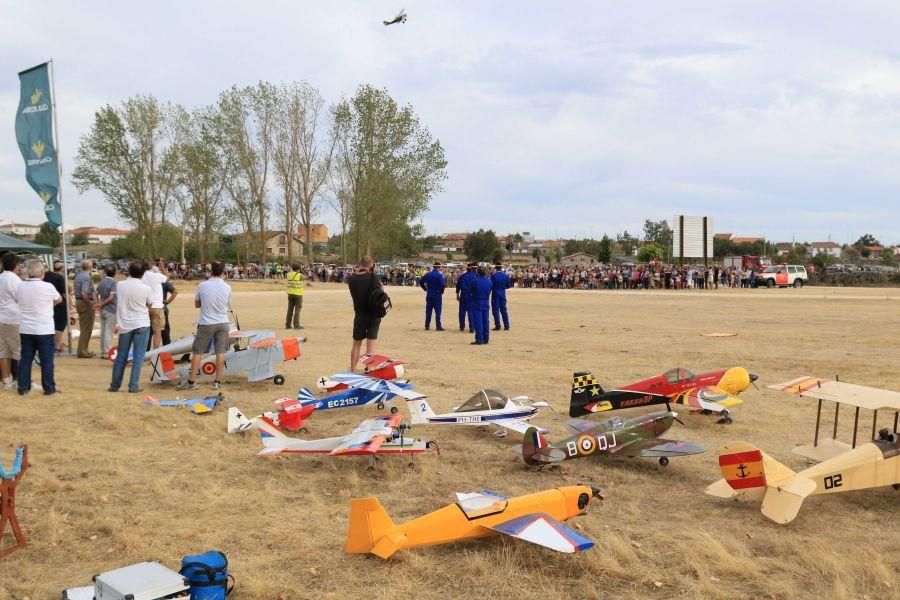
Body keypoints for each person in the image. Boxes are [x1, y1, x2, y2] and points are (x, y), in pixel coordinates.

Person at [179, 261, 232, 390]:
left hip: (206, 323)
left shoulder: (202, 285)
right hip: (223, 322)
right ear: (223, 272)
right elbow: (227, 304)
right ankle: (217, 382)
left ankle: (191, 382)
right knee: (220, 352)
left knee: (198, 352)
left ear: (210, 271)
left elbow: (197, 304)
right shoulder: (227, 287)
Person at [16, 259, 61, 395]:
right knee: (47, 361)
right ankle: (48, 388)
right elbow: (59, 299)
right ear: (42, 272)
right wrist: (48, 305)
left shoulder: (20, 286)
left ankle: (23, 388)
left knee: (25, 359)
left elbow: (18, 300)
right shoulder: (47, 287)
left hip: (25, 328)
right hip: (44, 329)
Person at [109, 261, 152, 393]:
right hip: (141, 323)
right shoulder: (146, 288)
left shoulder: (120, 285)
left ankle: (115, 385)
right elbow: (149, 304)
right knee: (138, 356)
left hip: (125, 325)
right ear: (142, 274)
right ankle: (133, 386)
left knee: (121, 355)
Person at [347, 256, 382, 370]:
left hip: (359, 314)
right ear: (371, 265)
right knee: (370, 344)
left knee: (356, 343)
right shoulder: (373, 277)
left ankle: (353, 369)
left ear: (359, 264)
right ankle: (369, 368)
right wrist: (373, 273)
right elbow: (381, 292)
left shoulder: (351, 279)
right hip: (373, 314)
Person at [0, 253, 22, 390]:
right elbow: (20, 298)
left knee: (3, 351)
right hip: (13, 318)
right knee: (20, 352)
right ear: (16, 265)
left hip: (1, 318)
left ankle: (6, 380)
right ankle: (23, 380)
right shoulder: (15, 280)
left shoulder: (0, 277)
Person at [141, 259, 168, 348]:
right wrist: (162, 265)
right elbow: (167, 277)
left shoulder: (141, 276)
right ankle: (155, 354)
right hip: (157, 306)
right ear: (152, 265)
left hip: (144, 306)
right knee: (157, 331)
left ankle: (144, 352)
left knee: (143, 331)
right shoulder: (156, 275)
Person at [43, 260, 69, 352]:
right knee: (59, 326)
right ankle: (57, 346)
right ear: (62, 268)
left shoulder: (45, 276)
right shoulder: (60, 278)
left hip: (47, 305)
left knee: (51, 326)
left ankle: (53, 344)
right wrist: (70, 303)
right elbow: (64, 293)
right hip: (60, 305)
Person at [73, 259, 96, 357]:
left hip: (79, 301)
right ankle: (82, 351)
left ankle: (84, 350)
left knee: (84, 327)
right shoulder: (87, 276)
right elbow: (84, 293)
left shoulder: (78, 275)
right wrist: (90, 303)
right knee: (87, 328)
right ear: (90, 267)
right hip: (84, 302)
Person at [96, 264, 118, 357]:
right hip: (111, 309)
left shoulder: (102, 281)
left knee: (103, 330)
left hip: (103, 310)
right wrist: (101, 304)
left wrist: (98, 304)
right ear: (115, 273)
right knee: (109, 331)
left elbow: (95, 293)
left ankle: (102, 351)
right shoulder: (114, 283)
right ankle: (106, 351)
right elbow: (111, 297)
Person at [469, 266, 493, 345]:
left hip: (477, 302)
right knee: (485, 321)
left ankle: (479, 339)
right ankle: (486, 338)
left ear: (477, 273)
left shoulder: (474, 281)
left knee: (478, 321)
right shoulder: (489, 281)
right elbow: (489, 290)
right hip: (485, 302)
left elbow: (471, 291)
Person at [419, 261, 446, 331]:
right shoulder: (439, 275)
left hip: (429, 294)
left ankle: (427, 325)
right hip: (437, 295)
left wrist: (425, 288)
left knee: (428, 311)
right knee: (438, 311)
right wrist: (441, 291)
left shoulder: (428, 274)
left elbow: (420, 281)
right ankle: (438, 326)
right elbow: (443, 284)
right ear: (439, 267)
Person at [490, 263, 511, 331]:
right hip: (502, 293)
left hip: (495, 293)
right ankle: (506, 325)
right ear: (501, 268)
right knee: (504, 310)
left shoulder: (493, 276)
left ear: (495, 268)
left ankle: (498, 325)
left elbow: (490, 285)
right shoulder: (505, 275)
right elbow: (508, 286)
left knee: (495, 310)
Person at [456, 262, 476, 333]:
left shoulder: (463, 276)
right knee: (471, 312)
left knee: (462, 311)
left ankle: (462, 326)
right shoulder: (476, 275)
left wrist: (457, 294)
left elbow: (458, 285)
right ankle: (472, 328)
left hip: (463, 295)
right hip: (472, 296)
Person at [284, 263, 305, 330]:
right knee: (297, 310)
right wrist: (302, 271)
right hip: (298, 294)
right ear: (299, 269)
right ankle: (296, 324)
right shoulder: (300, 275)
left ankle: (287, 324)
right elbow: (307, 276)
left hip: (290, 294)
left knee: (290, 310)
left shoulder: (288, 274)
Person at [161, 279, 178, 346]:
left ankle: (147, 353)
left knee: (150, 332)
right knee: (165, 330)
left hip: (149, 309)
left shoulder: (146, 280)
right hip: (162, 307)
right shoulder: (163, 282)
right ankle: (167, 348)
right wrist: (167, 301)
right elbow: (175, 292)